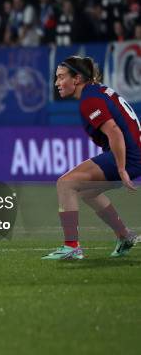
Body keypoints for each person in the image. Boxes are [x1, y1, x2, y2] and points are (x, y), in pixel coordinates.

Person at [43, 56, 140, 260]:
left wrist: (122, 169)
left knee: (66, 184)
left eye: (61, 77)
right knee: (87, 191)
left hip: (129, 156)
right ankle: (124, 235)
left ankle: (71, 246)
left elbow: (114, 132)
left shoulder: (90, 100)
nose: (57, 83)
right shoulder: (97, 91)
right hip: (134, 154)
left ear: (77, 78)